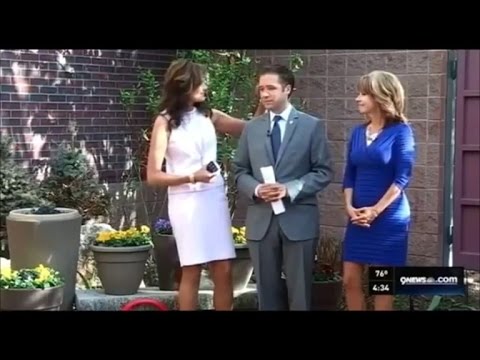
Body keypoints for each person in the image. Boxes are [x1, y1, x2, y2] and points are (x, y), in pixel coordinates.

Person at [146, 59, 261, 310]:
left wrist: (263, 99)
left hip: (213, 198)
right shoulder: (164, 122)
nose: (206, 86)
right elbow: (153, 175)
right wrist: (191, 177)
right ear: (185, 85)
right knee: (192, 269)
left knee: (223, 268)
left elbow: (251, 129)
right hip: (186, 202)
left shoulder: (210, 115)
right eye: (201, 81)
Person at [233, 64, 333, 311]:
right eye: (261, 89)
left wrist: (291, 188)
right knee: (266, 294)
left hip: (299, 220)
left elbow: (324, 172)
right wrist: (256, 189)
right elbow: (239, 171)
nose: (264, 94)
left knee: (300, 294)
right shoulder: (252, 128)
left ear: (287, 89)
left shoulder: (312, 126)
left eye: (271, 88)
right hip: (261, 221)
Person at [342, 70, 416, 311]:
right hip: (358, 218)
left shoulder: (401, 132)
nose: (358, 98)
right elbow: (349, 174)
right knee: (350, 279)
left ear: (381, 97)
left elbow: (402, 177)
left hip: (389, 218)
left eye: (364, 93)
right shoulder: (356, 133)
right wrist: (350, 209)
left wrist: (375, 210)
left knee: (381, 284)